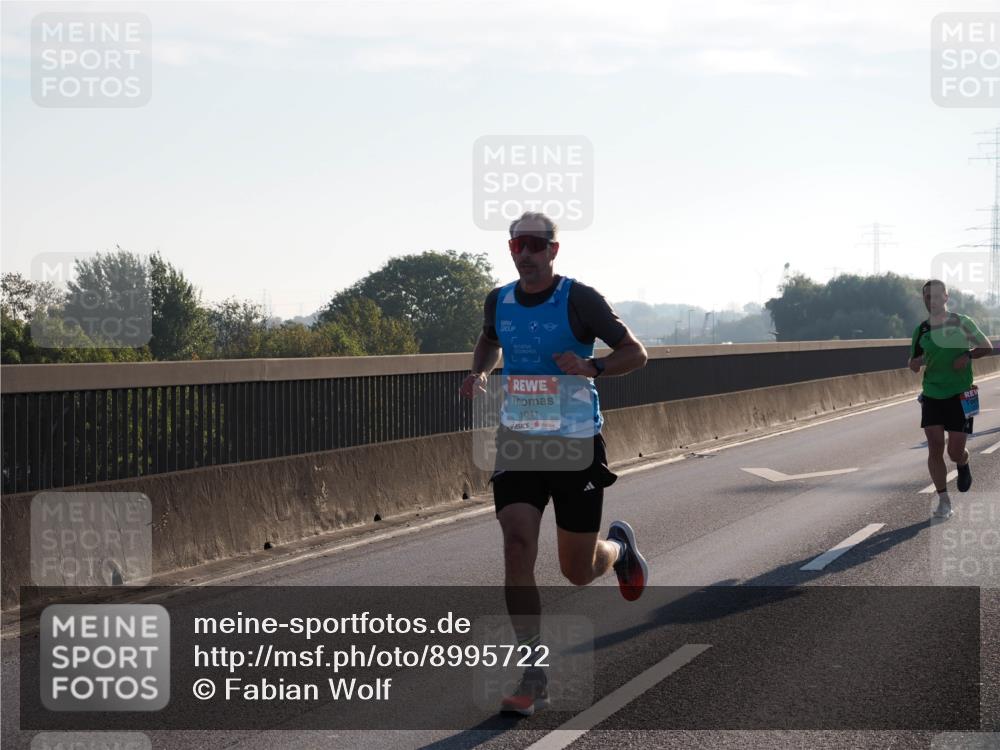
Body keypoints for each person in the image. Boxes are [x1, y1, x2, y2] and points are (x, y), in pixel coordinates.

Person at [459, 211, 649, 715]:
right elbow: (489, 340)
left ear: (553, 251)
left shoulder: (579, 299)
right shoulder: (498, 300)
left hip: (574, 445)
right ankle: (533, 674)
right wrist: (479, 373)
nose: (525, 253)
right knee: (517, 545)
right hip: (519, 441)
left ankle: (619, 550)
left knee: (577, 570)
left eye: (535, 244)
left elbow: (636, 352)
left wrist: (594, 366)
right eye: (517, 244)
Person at [908, 280, 992, 519]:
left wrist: (967, 355)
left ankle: (963, 462)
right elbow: (914, 361)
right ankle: (944, 500)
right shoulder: (921, 330)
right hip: (932, 394)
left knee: (954, 451)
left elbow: (986, 346)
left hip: (960, 394)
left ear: (946, 297)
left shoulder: (961, 322)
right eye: (926, 296)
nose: (930, 300)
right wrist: (913, 364)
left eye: (935, 296)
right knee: (935, 447)